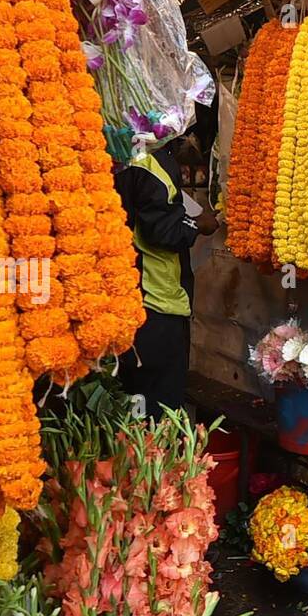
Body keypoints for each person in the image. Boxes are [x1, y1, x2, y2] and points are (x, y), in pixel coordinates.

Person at [114, 142, 220, 416]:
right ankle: (150, 455)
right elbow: (163, 231)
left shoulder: (123, 155)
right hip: (156, 302)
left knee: (133, 398)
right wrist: (199, 224)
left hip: (129, 298)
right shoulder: (151, 162)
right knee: (158, 403)